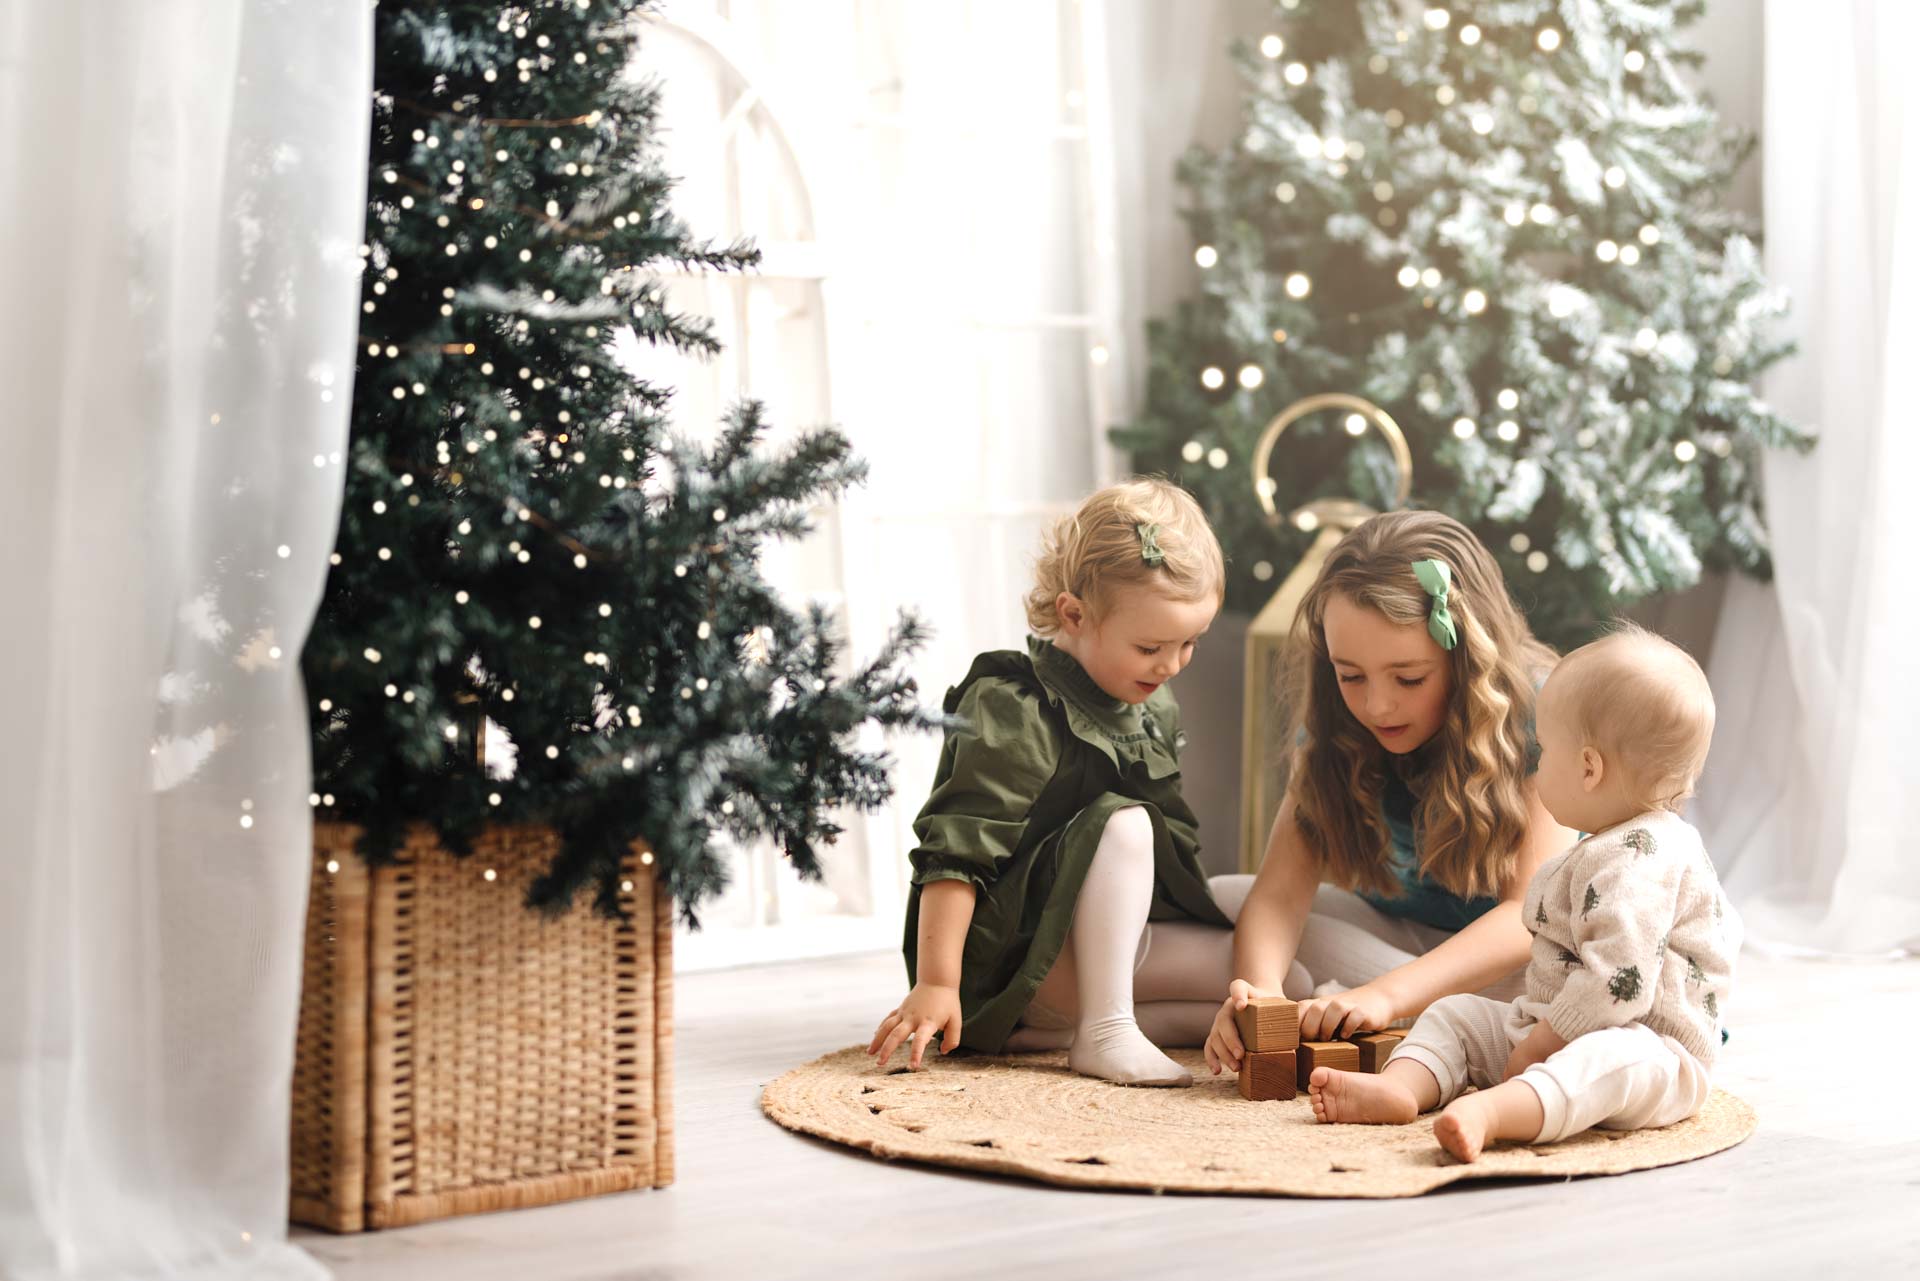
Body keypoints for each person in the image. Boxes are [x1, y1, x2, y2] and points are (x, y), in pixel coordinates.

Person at [1308, 624, 1739, 1163]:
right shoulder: (1604, 846)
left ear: (1588, 768)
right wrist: (1537, 1032)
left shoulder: (1645, 858)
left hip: (1650, 1049)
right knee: (1456, 1015)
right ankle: (1404, 1088)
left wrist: (1543, 1043)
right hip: (1555, 1025)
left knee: (1604, 1061)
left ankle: (1493, 1113)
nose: (1535, 769)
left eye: (1543, 754)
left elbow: (1618, 987)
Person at [868, 478, 1235, 1086]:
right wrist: (937, 982)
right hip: (1015, 958)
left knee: (1283, 981)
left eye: (1190, 643)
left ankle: (1067, 1029)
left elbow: (1173, 856)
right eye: (1150, 646)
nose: (1171, 666)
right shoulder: (1015, 706)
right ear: (1074, 614)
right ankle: (1104, 1029)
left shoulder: (1151, 706)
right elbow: (956, 854)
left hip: (1095, 953)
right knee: (1125, 824)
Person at [1205, 510, 1578, 1076]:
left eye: (1408, 678)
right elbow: (1279, 896)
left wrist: (1385, 994)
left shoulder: (1538, 714)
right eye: (1350, 675)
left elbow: (1523, 919)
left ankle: (1381, 1010)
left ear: (1466, 659)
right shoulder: (1337, 728)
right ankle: (1370, 1012)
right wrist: (1257, 999)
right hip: (1404, 942)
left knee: (1565, 988)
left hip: (1513, 961)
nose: (1376, 706)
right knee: (1224, 897)